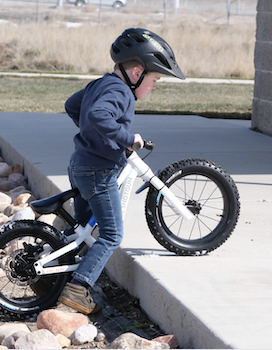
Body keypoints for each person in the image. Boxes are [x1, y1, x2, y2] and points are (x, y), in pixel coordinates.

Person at [57, 28, 186, 314]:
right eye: (154, 80)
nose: (154, 87)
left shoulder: (101, 83)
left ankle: (51, 277)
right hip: (98, 171)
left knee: (82, 230)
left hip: (80, 164)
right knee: (112, 234)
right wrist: (127, 138)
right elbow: (97, 115)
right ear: (137, 72)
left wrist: (96, 136)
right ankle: (78, 288)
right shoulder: (120, 91)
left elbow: (73, 106)